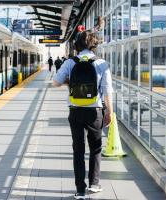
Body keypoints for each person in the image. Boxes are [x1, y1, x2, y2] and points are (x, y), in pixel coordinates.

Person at [52, 29, 113, 199]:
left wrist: (70, 83)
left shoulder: (70, 63)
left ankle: (80, 190)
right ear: (94, 44)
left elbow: (55, 82)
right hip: (95, 111)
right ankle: (94, 184)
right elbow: (107, 91)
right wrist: (110, 113)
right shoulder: (101, 63)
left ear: (77, 45)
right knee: (95, 149)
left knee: (78, 150)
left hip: (75, 111)